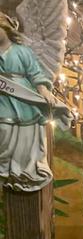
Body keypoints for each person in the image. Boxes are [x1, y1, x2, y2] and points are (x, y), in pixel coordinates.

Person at [0, 12, 59, 191]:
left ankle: (22, 171)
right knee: (3, 130)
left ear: (6, 29)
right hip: (3, 99)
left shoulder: (22, 51)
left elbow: (35, 74)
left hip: (24, 98)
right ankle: (3, 168)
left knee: (26, 136)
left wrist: (43, 90)